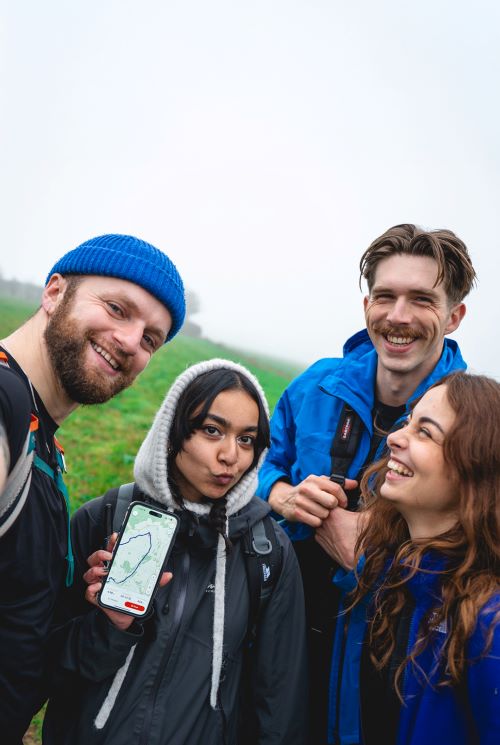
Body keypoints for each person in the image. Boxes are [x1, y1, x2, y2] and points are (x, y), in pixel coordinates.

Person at [256, 223, 476, 744]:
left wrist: (381, 552)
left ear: (454, 316)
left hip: (396, 660)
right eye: (386, 296)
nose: (398, 317)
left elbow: (480, 544)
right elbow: (261, 461)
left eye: (422, 299)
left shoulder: (472, 423)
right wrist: (284, 496)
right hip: (288, 631)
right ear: (366, 306)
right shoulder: (316, 384)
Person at [42, 359, 308, 745]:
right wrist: (109, 626)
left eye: (246, 439)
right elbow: (42, 664)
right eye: (212, 430)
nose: (231, 455)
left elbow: (281, 699)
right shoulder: (104, 520)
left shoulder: (266, 551)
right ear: (172, 431)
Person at [0, 233, 185, 745]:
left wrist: (103, 621)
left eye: (151, 338)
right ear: (55, 292)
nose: (130, 341)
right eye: (116, 308)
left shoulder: (43, 446)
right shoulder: (5, 405)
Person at [333, 371, 500, 745]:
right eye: (408, 422)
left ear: (474, 470)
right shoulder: (389, 578)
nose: (394, 437)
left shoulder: (489, 624)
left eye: (425, 432)